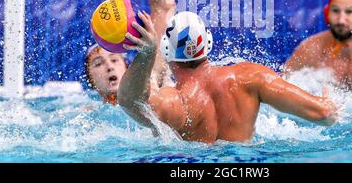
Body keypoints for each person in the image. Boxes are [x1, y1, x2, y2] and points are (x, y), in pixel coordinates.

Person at [117, 11, 339, 143]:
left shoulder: (174, 102)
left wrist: (146, 55)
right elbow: (324, 114)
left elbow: (129, 101)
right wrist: (326, 103)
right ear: (208, 43)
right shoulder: (250, 78)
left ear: (166, 52)